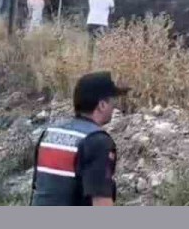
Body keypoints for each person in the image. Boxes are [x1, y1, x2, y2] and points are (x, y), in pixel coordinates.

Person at [30, 71, 130, 206]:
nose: (114, 107)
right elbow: (101, 201)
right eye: (113, 101)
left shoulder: (49, 133)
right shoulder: (97, 141)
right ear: (102, 105)